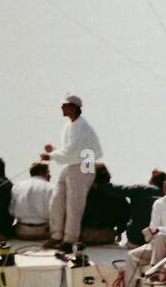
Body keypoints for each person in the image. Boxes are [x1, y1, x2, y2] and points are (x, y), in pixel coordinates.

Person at [41, 95, 103, 251]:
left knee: (74, 204)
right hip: (73, 164)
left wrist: (51, 155)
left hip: (84, 165)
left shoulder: (82, 126)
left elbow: (74, 150)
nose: (62, 108)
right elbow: (70, 150)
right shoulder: (70, 125)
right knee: (57, 198)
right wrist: (55, 152)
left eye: (65, 105)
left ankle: (69, 239)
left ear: (74, 107)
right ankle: (56, 234)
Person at [114, 170, 166, 246]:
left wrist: (119, 231)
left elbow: (117, 191)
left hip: (135, 237)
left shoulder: (140, 190)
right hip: (156, 239)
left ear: (151, 180)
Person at [80, 163, 129, 245]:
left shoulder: (84, 193)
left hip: (85, 234)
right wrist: (119, 231)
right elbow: (126, 214)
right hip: (106, 236)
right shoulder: (116, 193)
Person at [10, 162, 52, 240]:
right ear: (45, 173)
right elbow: (55, 213)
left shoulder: (17, 186)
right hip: (43, 232)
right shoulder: (51, 187)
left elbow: (11, 211)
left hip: (22, 232)